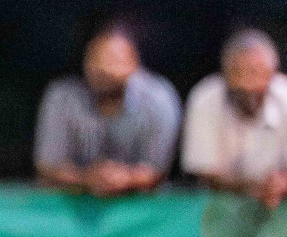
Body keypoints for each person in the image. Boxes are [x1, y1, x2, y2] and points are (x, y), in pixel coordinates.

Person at [34, 17, 181, 196]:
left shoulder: (158, 98)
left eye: (114, 60)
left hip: (144, 203)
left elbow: (158, 169)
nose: (103, 68)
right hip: (74, 200)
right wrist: (88, 178)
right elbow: (47, 166)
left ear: (134, 63)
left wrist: (126, 178)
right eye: (95, 59)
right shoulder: (62, 97)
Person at [183, 28, 287, 210]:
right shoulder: (205, 98)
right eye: (240, 72)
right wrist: (257, 188)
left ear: (273, 71)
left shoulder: (284, 96)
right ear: (225, 73)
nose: (249, 84)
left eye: (258, 72)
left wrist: (280, 184)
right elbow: (205, 172)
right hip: (220, 203)